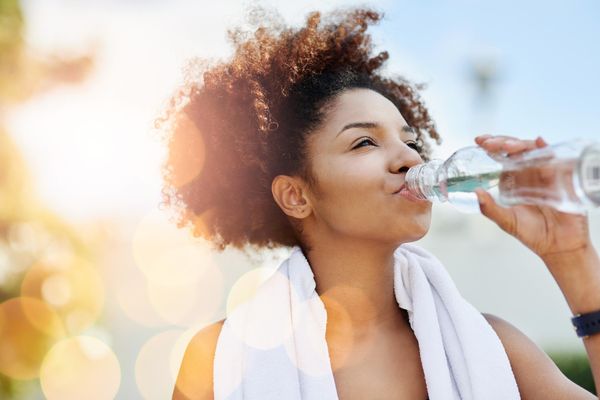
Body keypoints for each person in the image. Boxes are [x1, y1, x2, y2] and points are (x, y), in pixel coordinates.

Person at [159, 7, 600, 399]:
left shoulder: (495, 348)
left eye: (411, 141)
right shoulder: (218, 363)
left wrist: (572, 258)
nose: (410, 158)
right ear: (296, 195)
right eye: (365, 142)